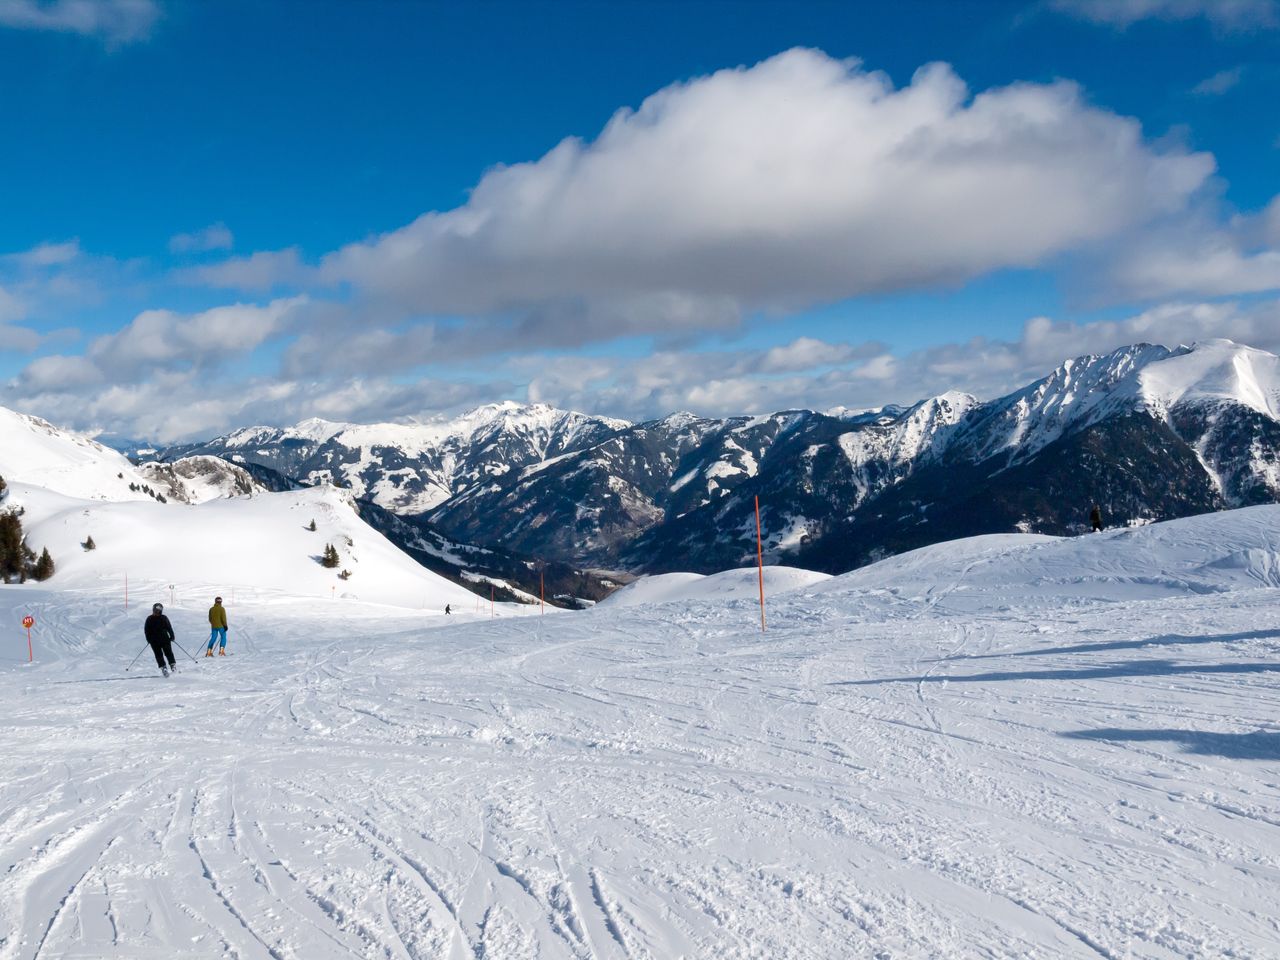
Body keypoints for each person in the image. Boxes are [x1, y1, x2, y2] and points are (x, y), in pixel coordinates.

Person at [145, 602, 178, 677]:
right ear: (153, 610)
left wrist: (172, 636)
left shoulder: (164, 618)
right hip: (154, 641)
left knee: (169, 653)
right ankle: (163, 667)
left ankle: (173, 666)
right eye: (156, 611)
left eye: (159, 611)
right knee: (158, 655)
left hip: (165, 639)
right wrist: (149, 639)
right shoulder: (149, 619)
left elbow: (169, 627)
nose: (157, 613)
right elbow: (147, 631)